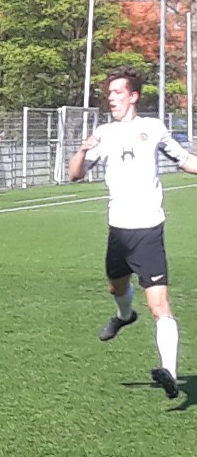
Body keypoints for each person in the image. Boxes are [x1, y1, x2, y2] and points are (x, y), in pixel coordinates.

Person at [68, 66, 197, 400]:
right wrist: (83, 150)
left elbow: (184, 160)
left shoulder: (152, 129)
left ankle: (168, 370)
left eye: (117, 92)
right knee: (116, 286)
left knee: (159, 304)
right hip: (119, 231)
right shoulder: (104, 133)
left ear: (134, 96)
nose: (111, 98)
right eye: (109, 94)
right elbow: (74, 175)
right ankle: (125, 316)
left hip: (149, 229)